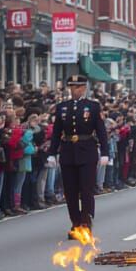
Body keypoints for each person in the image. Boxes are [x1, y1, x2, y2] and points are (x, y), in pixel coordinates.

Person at [48, 75, 109, 236]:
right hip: (68, 151)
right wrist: (52, 153)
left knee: (86, 189)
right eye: (72, 87)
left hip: (87, 151)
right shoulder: (62, 107)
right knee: (70, 190)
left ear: (83, 88)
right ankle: (75, 223)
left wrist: (105, 152)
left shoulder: (93, 107)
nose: (74, 90)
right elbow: (56, 133)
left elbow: (101, 131)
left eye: (77, 87)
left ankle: (86, 222)